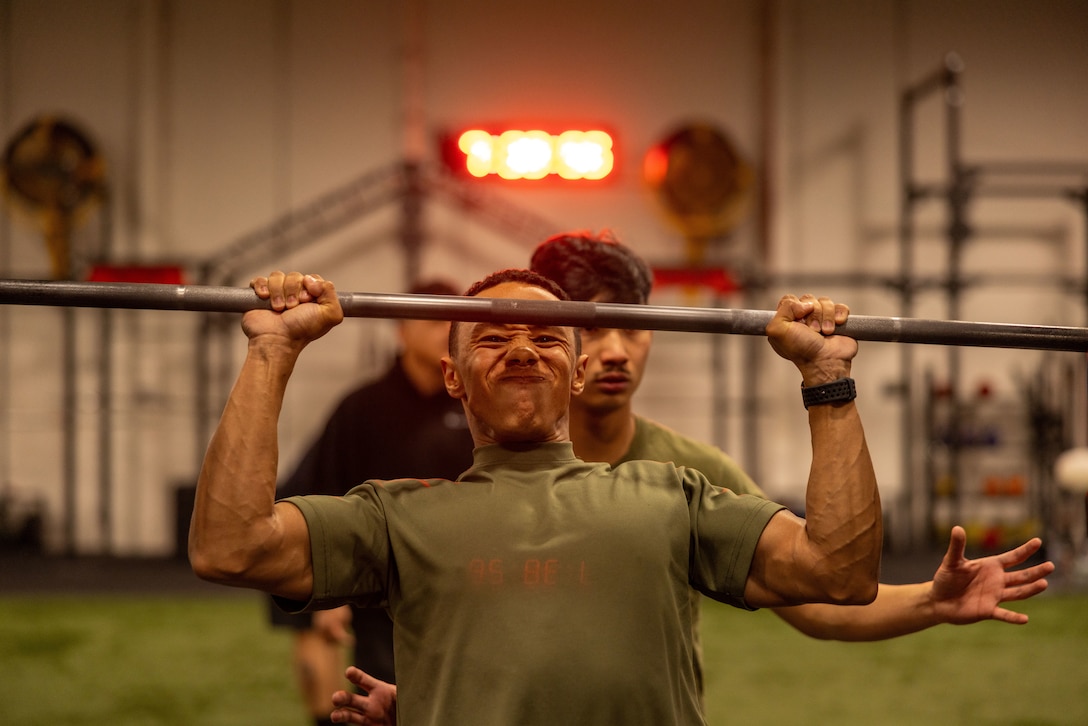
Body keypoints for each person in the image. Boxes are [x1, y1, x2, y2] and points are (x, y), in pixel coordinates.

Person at [326, 232, 1055, 725]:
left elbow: (821, 598)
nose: (616, 351)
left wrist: (930, 598)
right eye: (596, 326)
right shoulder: (463, 465)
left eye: (632, 326)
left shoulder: (688, 474)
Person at [190, 266, 884, 725]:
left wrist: (825, 376)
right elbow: (230, 549)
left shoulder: (673, 496)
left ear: (579, 372)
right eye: (493, 338)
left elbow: (838, 573)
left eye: (546, 337)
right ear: (454, 379)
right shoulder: (394, 517)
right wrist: (271, 352)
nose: (521, 349)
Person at [268, 279, 473, 726]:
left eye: (450, 320)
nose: (442, 329)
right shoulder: (361, 408)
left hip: (462, 585)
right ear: (401, 330)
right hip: (379, 593)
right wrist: (329, 596)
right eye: (429, 317)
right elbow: (318, 490)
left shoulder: (476, 406)